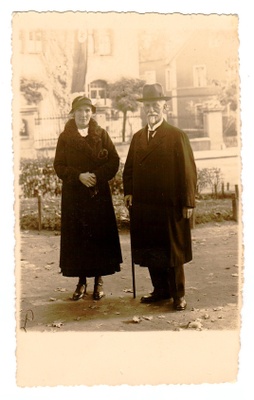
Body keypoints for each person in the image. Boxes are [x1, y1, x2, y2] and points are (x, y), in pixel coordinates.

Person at [123, 83, 197, 311]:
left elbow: (188, 171)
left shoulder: (176, 136)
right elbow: (129, 168)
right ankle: (160, 290)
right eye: (148, 106)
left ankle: (178, 294)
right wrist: (128, 191)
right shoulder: (137, 138)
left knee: (172, 252)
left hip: (169, 205)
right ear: (143, 109)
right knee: (151, 249)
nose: (151, 110)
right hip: (145, 206)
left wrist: (188, 201)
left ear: (164, 106)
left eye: (156, 105)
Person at [54, 95, 122, 301]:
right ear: (73, 113)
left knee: (98, 237)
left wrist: (96, 177)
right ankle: (81, 281)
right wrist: (78, 176)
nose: (83, 115)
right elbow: (59, 166)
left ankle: (98, 282)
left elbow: (114, 161)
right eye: (79, 111)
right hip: (75, 197)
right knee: (79, 239)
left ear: (92, 113)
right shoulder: (65, 138)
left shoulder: (101, 134)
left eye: (87, 111)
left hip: (98, 195)